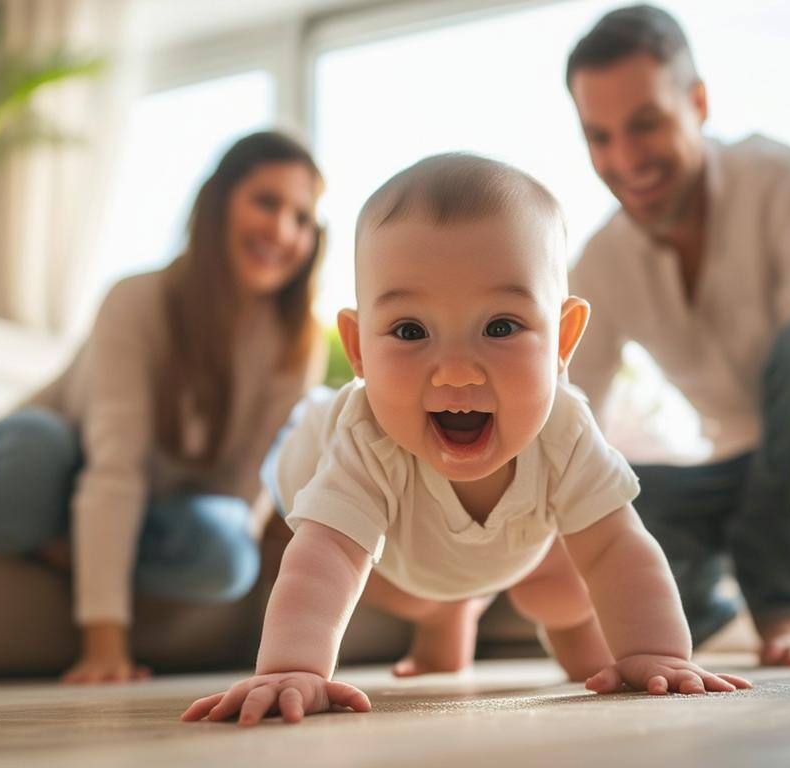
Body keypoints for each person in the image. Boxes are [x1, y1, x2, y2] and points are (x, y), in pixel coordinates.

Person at [180, 153, 752, 727]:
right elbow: (326, 555)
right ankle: (445, 617)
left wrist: (658, 652)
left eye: (500, 327)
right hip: (372, 528)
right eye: (410, 330)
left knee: (581, 608)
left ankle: (503, 620)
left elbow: (618, 548)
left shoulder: (565, 430)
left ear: (563, 338)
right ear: (357, 349)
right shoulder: (368, 434)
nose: (455, 371)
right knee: (365, 565)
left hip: (512, 547)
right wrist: (292, 666)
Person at [565, 5, 790, 666]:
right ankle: (694, 614)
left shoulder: (787, 182)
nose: (625, 159)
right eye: (599, 137)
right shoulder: (599, 262)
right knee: (610, 493)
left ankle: (785, 603)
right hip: (735, 481)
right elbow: (566, 413)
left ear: (697, 102)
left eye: (646, 124)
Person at [0, 131, 326, 684]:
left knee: (227, 552)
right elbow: (115, 466)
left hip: (151, 511)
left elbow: (241, 493)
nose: (282, 230)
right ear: (219, 202)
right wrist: (105, 645)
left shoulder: (299, 342)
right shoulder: (137, 299)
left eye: (302, 218)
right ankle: (71, 541)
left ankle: (77, 552)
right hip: (48, 466)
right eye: (267, 202)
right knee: (31, 453)